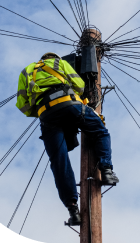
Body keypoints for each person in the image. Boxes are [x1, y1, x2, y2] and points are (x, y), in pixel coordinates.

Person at [16, 52, 119, 226]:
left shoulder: (27, 71)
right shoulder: (61, 64)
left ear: (41, 59)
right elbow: (79, 85)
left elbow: (23, 105)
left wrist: (43, 109)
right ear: (54, 58)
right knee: (100, 132)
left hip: (46, 115)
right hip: (69, 104)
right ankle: (107, 171)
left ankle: (73, 210)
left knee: (59, 160)